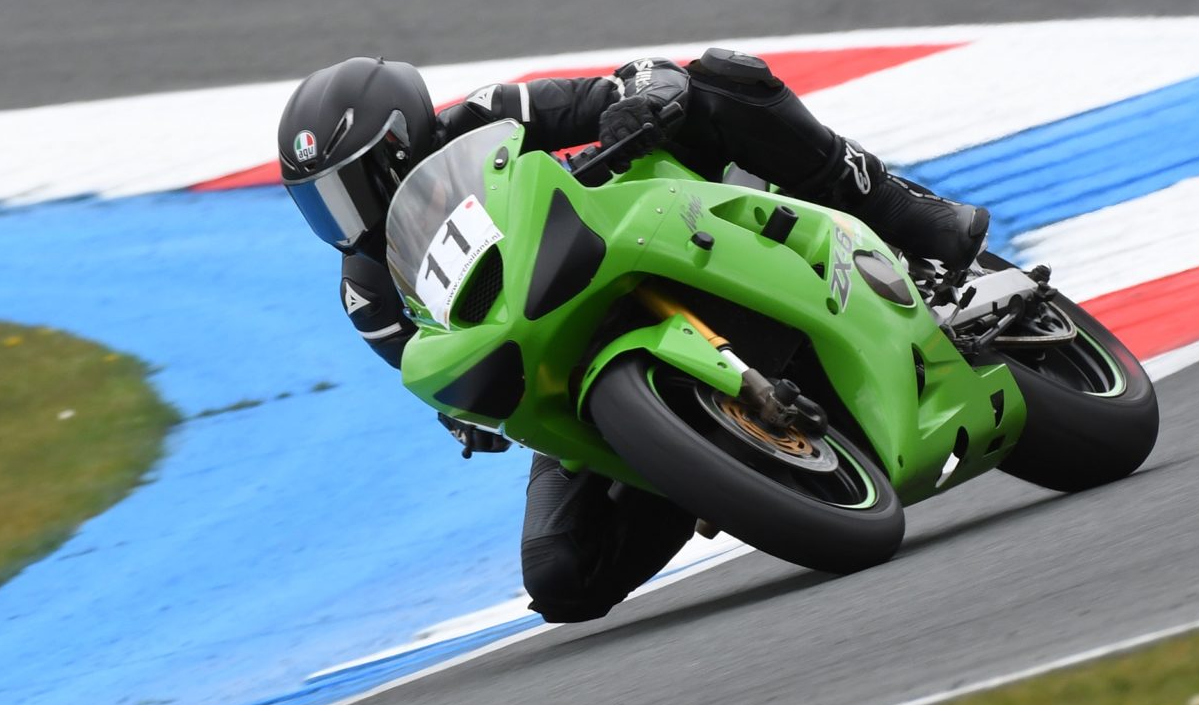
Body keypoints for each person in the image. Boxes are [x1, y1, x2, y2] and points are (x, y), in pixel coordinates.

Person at [276, 48, 988, 622]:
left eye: (348, 186)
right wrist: (465, 413)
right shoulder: (367, 294)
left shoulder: (486, 115)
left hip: (628, 233)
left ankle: (898, 207)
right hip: (557, 362)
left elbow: (636, 79)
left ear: (400, 142)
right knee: (561, 577)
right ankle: (699, 468)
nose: (341, 217)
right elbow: (435, 368)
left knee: (721, 81)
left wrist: (635, 105)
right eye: (319, 201)